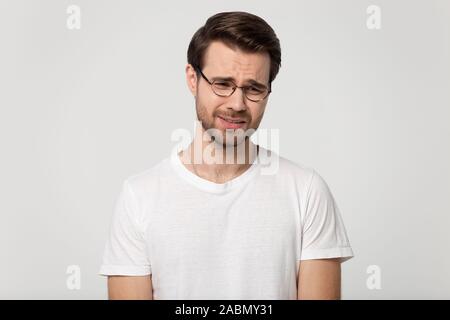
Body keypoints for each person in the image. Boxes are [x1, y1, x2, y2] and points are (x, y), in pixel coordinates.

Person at [99, 11, 354, 300]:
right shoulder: (138, 197)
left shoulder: (306, 191)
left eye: (254, 88)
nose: (237, 103)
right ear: (192, 79)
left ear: (268, 92)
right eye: (222, 84)